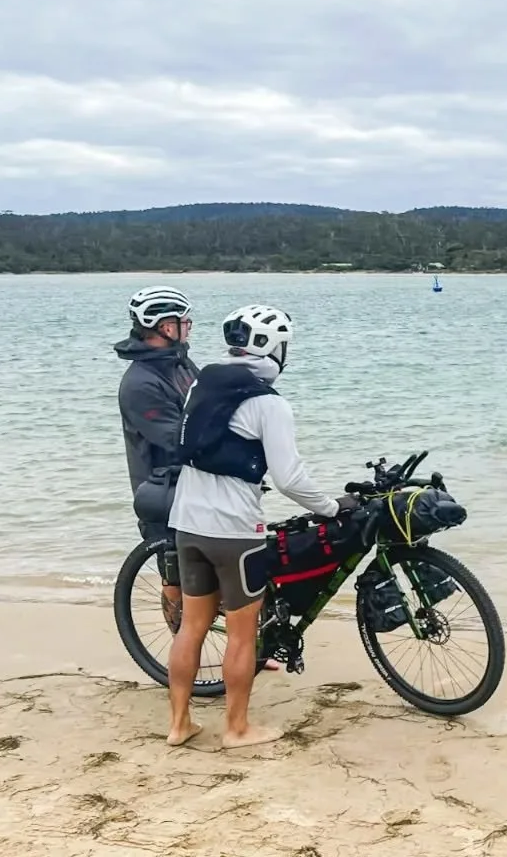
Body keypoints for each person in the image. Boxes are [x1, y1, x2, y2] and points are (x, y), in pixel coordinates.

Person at [164, 304, 357, 749]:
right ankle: (236, 728)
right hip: (235, 534)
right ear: (274, 347)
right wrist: (329, 507)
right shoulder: (269, 404)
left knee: (191, 627)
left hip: (187, 523)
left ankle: (179, 725)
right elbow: (288, 478)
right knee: (241, 634)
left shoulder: (202, 382)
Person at [115, 285, 198, 632]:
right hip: (162, 493)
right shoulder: (140, 383)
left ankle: (243, 648)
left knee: (217, 568)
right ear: (166, 327)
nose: (190, 326)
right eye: (184, 321)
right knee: (175, 580)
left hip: (195, 485)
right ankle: (182, 654)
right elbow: (178, 438)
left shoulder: (180, 363)